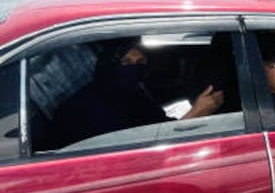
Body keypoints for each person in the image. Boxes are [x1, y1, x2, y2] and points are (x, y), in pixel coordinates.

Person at [47, 38, 224, 149]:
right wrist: (196, 114)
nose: (134, 68)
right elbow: (139, 155)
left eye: (140, 62)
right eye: (127, 62)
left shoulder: (130, 94)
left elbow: (157, 124)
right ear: (109, 66)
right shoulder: (91, 109)